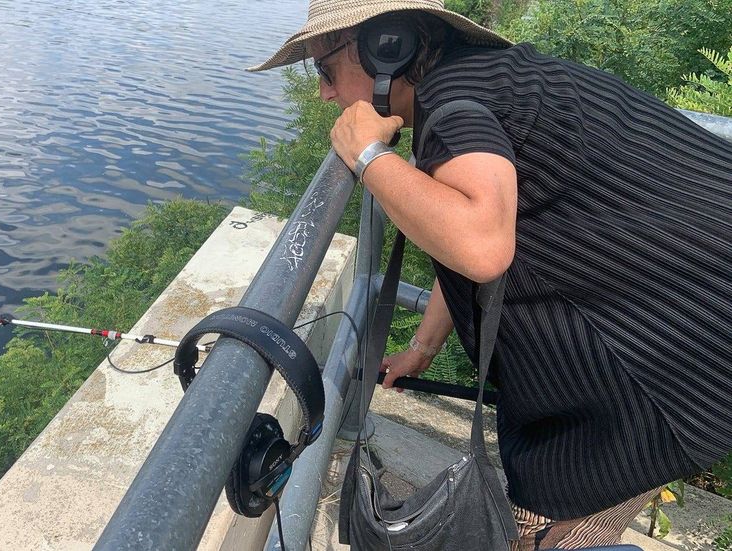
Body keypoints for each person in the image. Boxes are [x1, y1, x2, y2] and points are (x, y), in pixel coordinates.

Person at [248, 0, 732, 549]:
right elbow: (462, 239)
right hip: (692, 326)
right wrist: (424, 347)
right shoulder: (487, 80)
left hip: (675, 362)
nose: (324, 93)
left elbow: (480, 245)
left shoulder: (456, 106)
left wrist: (367, 156)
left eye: (324, 68)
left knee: (543, 528)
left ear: (388, 46)